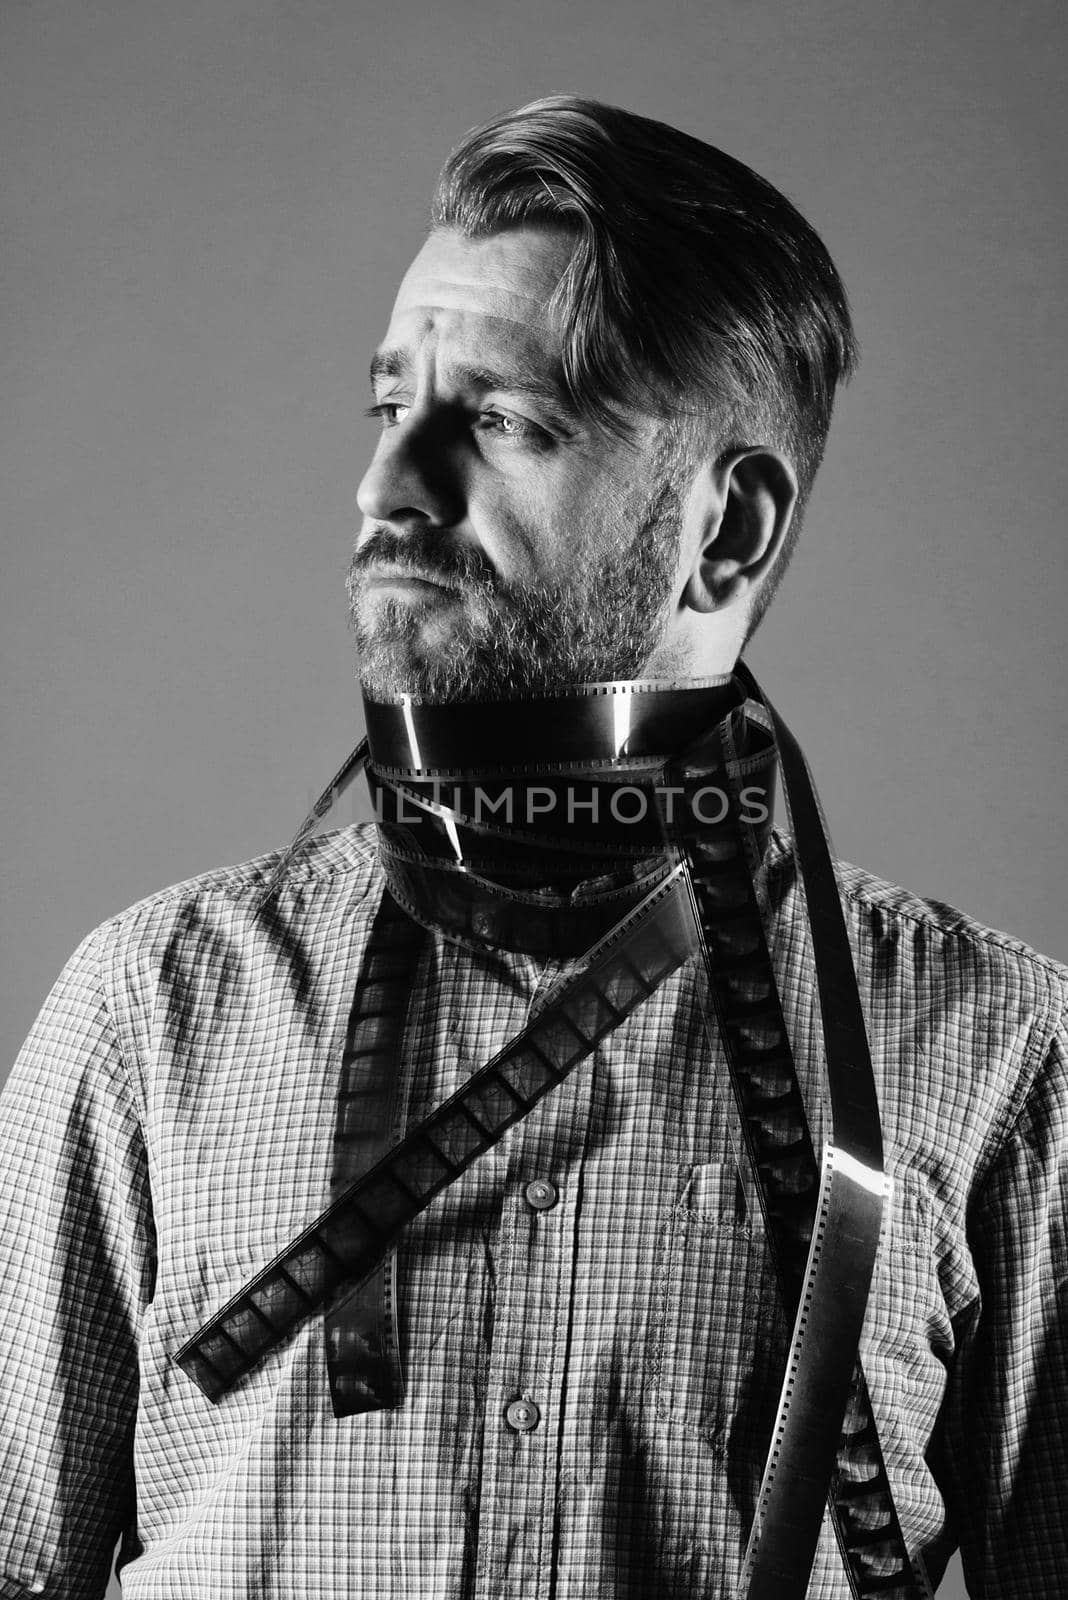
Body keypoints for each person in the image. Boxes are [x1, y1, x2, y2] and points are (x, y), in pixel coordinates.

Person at [1, 94, 1065, 1600]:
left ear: (729, 529)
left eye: (499, 421)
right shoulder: (146, 1018)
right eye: (391, 412)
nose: (388, 490)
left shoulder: (1002, 1067)